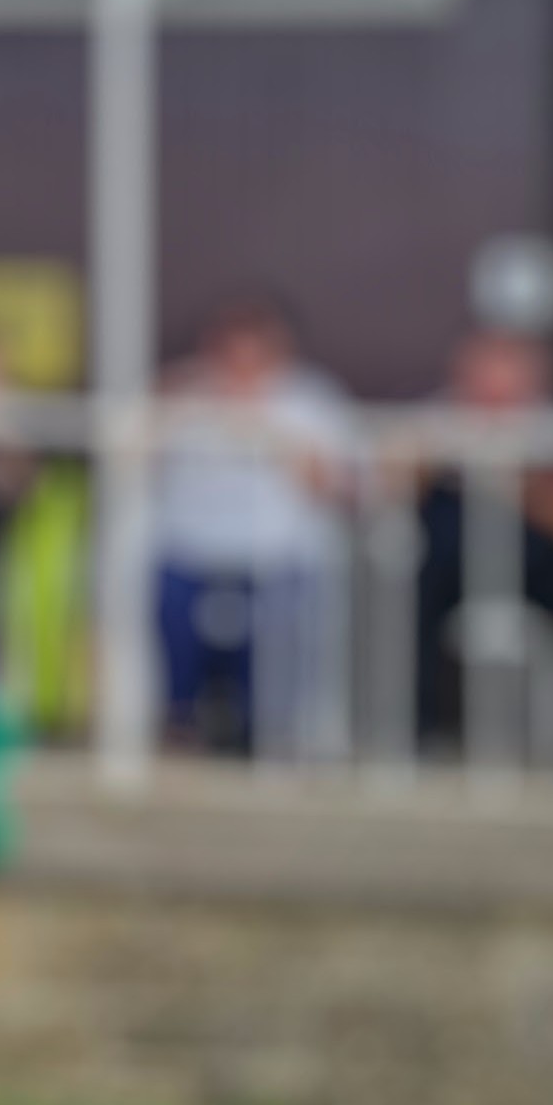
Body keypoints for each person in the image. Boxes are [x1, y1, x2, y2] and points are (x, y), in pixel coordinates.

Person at [150, 294, 358, 758]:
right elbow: (134, 458)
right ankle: (180, 722)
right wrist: (169, 401)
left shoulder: (311, 402)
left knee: (285, 609)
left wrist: (278, 440)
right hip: (191, 552)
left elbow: (342, 488)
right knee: (168, 595)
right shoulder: (186, 396)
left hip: (281, 556)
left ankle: (270, 731)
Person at [415, 327, 553, 754]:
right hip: (451, 567)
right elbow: (390, 484)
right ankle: (422, 730)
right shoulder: (438, 421)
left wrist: (519, 486)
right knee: (412, 600)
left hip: (537, 563)